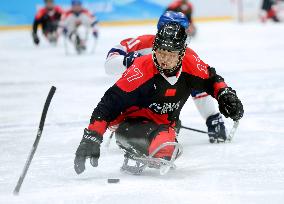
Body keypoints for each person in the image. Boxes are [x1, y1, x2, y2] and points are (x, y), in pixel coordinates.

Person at [74, 22, 244, 175]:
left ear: (182, 53)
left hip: (164, 122)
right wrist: (92, 136)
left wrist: (225, 95)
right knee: (166, 146)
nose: (165, 60)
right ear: (154, 48)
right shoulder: (140, 70)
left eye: (172, 54)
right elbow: (109, 103)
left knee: (172, 131)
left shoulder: (191, 64)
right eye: (161, 53)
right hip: (130, 123)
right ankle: (140, 140)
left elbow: (212, 79)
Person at [105, 11, 227, 144]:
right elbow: (109, 65)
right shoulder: (142, 43)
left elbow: (201, 86)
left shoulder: (188, 55)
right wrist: (129, 61)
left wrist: (212, 116)